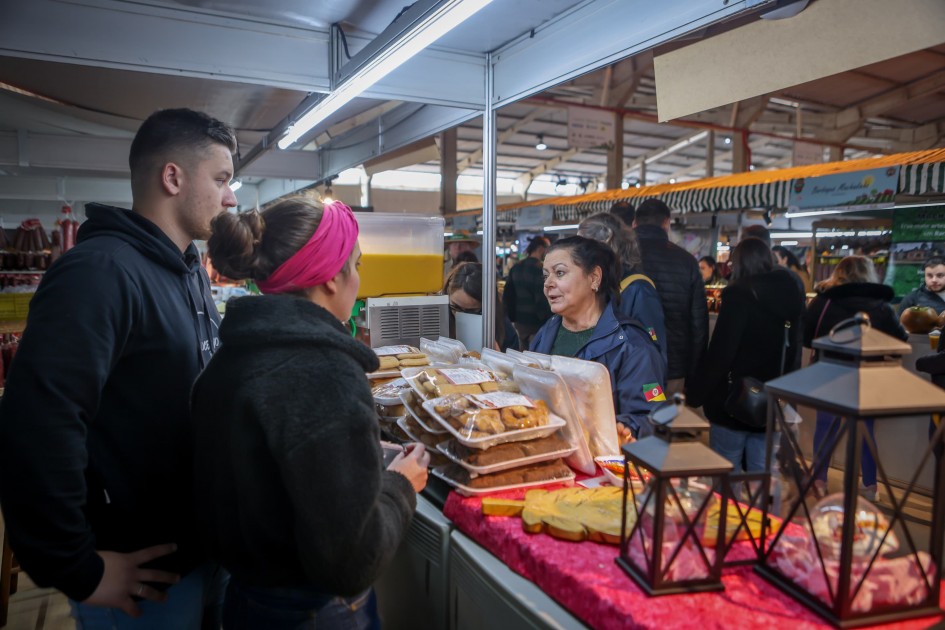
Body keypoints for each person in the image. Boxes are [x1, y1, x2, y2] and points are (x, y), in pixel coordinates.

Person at [0, 108, 237, 627]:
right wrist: (77, 568)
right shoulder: (98, 273)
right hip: (139, 577)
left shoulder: (188, 269)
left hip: (198, 553)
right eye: (221, 179)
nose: (231, 197)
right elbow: (37, 424)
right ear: (172, 177)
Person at [191, 198, 430, 629]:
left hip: (246, 599)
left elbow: (269, 465)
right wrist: (400, 485)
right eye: (355, 265)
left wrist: (351, 450)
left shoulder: (232, 359)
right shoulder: (325, 371)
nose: (359, 278)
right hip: (314, 613)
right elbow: (350, 561)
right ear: (330, 279)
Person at [530, 236, 666, 441]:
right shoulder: (547, 331)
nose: (548, 284)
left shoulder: (632, 345)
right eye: (545, 275)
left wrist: (625, 428)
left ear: (594, 278)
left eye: (559, 273)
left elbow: (650, 416)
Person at [687, 238, 804, 473]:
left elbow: (722, 351)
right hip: (770, 402)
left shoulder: (739, 294)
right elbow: (795, 349)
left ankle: (731, 511)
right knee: (762, 473)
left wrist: (696, 394)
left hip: (733, 401)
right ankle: (759, 511)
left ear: (738, 263)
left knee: (727, 472)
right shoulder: (792, 294)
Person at [803, 256, 907, 501]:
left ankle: (819, 480)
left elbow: (807, 337)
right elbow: (900, 340)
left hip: (828, 372)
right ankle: (870, 486)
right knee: (865, 430)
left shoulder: (824, 301)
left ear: (839, 272)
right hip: (867, 376)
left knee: (826, 427)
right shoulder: (881, 305)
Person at [633, 199, 708, 396]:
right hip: (672, 369)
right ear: (666, 223)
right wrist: (694, 376)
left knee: (628, 424)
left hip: (628, 365)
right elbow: (698, 325)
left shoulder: (618, 257)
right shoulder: (687, 261)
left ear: (635, 223)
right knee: (665, 422)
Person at [577, 212, 667, 362]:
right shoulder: (599, 285)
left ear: (606, 244)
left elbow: (652, 353)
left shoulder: (638, 289)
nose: (576, 255)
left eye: (581, 248)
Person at [444, 261, 519, 352]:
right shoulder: (439, 322)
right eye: (456, 307)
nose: (460, 316)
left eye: (471, 311)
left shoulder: (505, 331)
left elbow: (512, 365)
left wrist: (498, 358)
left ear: (488, 305)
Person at [503, 235, 552, 349]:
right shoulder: (541, 269)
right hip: (537, 323)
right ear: (540, 248)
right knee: (535, 359)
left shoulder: (516, 267)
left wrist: (511, 318)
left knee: (521, 356)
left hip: (519, 323)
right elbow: (542, 298)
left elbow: (508, 296)